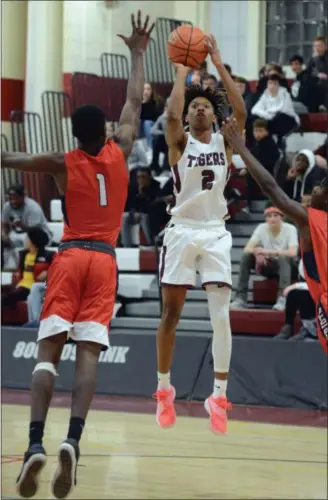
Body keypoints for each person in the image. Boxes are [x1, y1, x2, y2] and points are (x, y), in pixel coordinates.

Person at [1, 10, 154, 499]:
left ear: (72, 133)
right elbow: (134, 99)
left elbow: (10, 159)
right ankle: (72, 441)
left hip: (70, 256)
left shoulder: (62, 162)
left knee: (49, 352)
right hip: (105, 260)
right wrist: (136, 51)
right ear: (105, 129)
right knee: (89, 354)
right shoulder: (123, 146)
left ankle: (34, 445)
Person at [153, 34, 246, 435]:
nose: (201, 110)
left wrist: (219, 63)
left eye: (206, 105)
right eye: (195, 107)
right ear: (189, 117)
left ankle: (219, 395)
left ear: (213, 113)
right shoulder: (179, 143)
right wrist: (180, 69)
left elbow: (240, 110)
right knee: (171, 315)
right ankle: (164, 390)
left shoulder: (227, 143)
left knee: (221, 317)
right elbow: (172, 111)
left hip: (215, 232)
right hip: (181, 231)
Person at [221, 117, 328, 355]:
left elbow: (271, 188)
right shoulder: (311, 222)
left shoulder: (311, 221)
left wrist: (240, 147)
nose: (314, 188)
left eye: (320, 186)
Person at [230, 206, 298, 311]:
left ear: (281, 218)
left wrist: (266, 252)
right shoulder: (261, 228)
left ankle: (282, 298)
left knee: (283, 257)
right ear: (266, 218)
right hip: (270, 266)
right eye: (269, 216)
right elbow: (247, 249)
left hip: (289, 267)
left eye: (276, 215)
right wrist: (257, 254)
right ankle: (240, 298)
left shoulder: (290, 229)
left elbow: (293, 252)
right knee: (246, 257)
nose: (272, 219)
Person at [2, 184, 52, 269]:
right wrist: (4, 235)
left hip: (38, 235)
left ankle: (37, 263)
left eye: (15, 198)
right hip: (17, 235)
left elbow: (34, 229)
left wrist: (22, 225)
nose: (12, 201)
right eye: (10, 198)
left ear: (23, 196)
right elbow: (4, 224)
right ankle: (3, 269)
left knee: (34, 235)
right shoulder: (7, 206)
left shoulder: (33, 207)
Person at [2, 227, 53, 309]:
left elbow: (59, 270)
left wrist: (48, 272)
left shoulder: (48, 255)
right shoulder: (23, 255)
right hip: (21, 286)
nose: (25, 241)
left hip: (32, 288)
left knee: (8, 297)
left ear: (34, 242)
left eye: (27, 238)